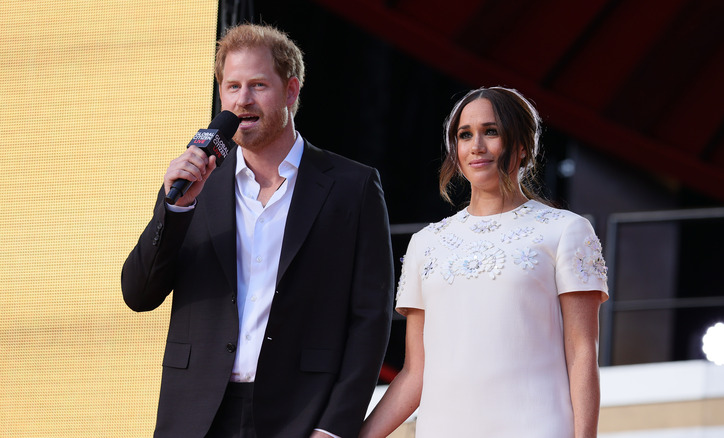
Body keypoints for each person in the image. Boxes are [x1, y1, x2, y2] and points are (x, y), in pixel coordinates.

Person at [122, 23, 394, 438]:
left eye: (257, 85)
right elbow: (138, 294)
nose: (242, 100)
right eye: (231, 86)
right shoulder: (197, 185)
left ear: (291, 91)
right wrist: (175, 208)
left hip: (299, 415)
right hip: (195, 416)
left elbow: (370, 320)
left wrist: (334, 427)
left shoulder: (351, 186)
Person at [359, 86, 609, 438]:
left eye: (491, 131)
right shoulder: (426, 243)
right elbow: (416, 373)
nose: (476, 146)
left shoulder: (566, 230)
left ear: (523, 145)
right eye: (465, 135)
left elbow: (582, 353)